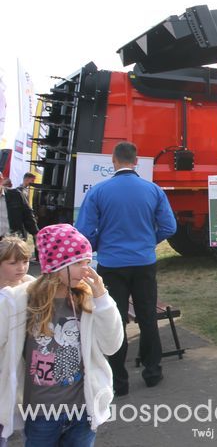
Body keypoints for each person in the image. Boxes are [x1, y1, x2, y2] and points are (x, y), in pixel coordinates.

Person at [0, 224, 123, 446]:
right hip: (41, 414)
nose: (86, 270)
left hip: (82, 412)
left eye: (87, 262)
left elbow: (111, 346)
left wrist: (103, 299)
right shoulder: (20, 302)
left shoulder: (87, 301)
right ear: (57, 266)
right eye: (78, 263)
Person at [75, 141, 176, 396]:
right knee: (147, 317)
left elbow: (84, 232)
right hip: (144, 262)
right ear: (136, 160)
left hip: (111, 264)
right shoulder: (153, 190)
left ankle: (118, 380)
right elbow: (169, 226)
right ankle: (153, 372)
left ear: (114, 160)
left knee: (115, 320)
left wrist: (101, 243)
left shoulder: (98, 191)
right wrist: (147, 242)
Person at [0, 237, 34, 447]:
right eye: (12, 263)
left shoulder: (32, 287)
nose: (20, 268)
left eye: (25, 261)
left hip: (26, 366)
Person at [0, 173, 38, 241]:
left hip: (14, 240)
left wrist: (35, 234)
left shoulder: (15, 194)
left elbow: (28, 215)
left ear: (1, 180)